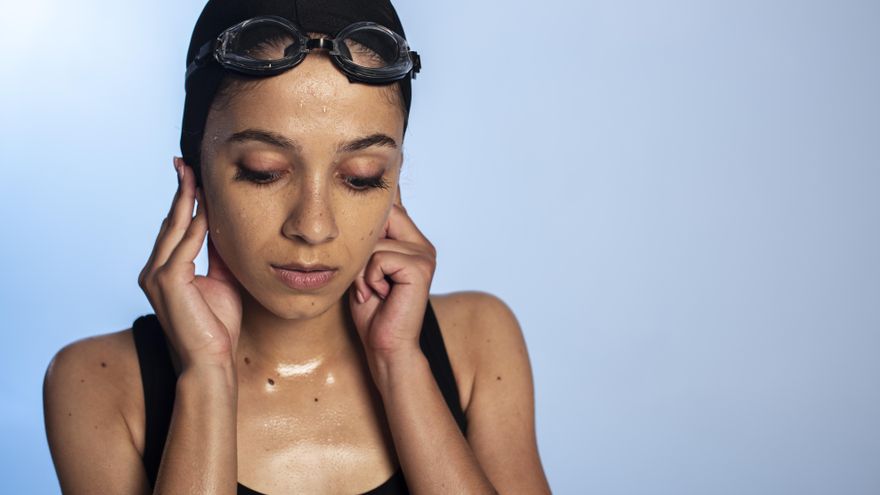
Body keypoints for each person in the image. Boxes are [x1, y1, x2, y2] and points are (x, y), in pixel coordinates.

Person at [42, 1, 551, 493]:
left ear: (394, 180)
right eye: (264, 172)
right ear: (196, 170)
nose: (313, 226)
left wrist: (402, 365)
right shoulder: (96, 384)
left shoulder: (479, 340)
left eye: (360, 177)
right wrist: (206, 377)